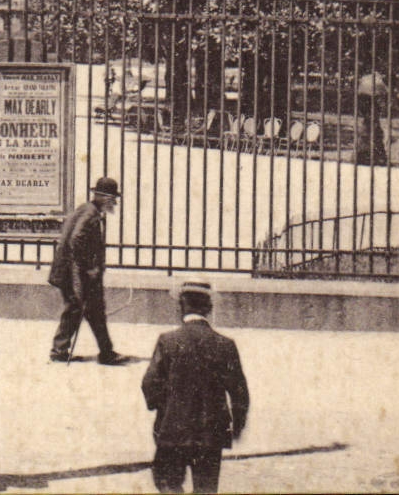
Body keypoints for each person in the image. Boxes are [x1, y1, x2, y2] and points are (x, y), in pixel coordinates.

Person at [141, 280, 250, 494]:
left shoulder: (168, 341)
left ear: (181, 306)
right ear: (209, 308)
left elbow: (150, 383)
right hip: (212, 432)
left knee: (167, 482)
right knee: (206, 488)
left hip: (173, 429)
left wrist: (162, 408)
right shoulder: (225, 344)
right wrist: (237, 425)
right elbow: (239, 392)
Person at [49, 176, 130, 365]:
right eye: (112, 199)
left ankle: (99, 352)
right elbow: (76, 240)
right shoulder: (91, 214)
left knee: (91, 311)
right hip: (75, 274)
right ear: (103, 198)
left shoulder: (87, 209)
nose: (114, 203)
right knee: (80, 309)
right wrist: (90, 268)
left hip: (72, 272)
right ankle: (64, 351)